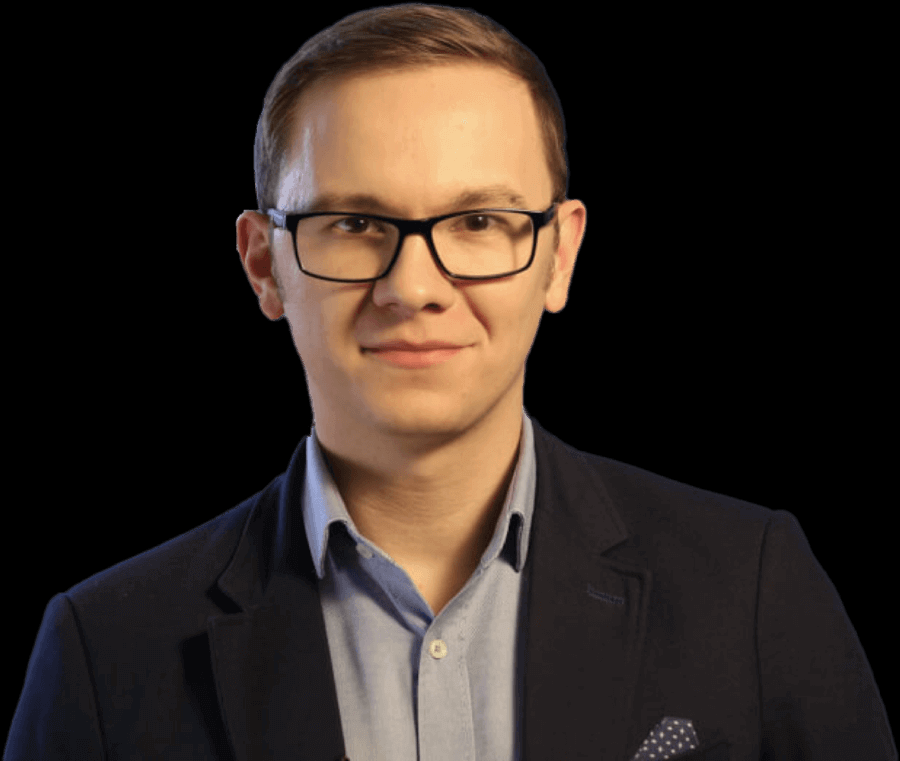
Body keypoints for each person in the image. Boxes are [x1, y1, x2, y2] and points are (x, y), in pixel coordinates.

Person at [5, 5, 895, 761]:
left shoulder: (751, 590)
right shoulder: (104, 651)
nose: (415, 288)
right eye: (354, 222)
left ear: (560, 254)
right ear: (263, 264)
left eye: (478, 220)